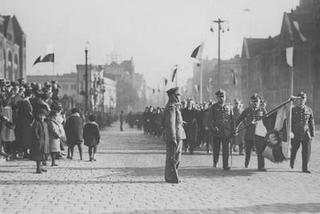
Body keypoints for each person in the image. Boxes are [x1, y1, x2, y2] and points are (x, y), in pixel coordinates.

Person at [236, 94, 267, 171]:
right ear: (251, 102)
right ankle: (246, 163)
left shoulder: (262, 110)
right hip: (249, 135)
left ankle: (261, 167)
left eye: (257, 101)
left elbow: (267, 121)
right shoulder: (247, 110)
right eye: (253, 101)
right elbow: (239, 120)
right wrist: (235, 128)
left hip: (259, 135)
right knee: (248, 152)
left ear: (259, 102)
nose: (255, 103)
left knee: (260, 151)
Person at [207, 89, 234, 170]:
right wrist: (213, 128)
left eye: (223, 97)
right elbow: (209, 120)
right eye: (219, 97)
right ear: (217, 98)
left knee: (226, 150)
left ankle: (225, 165)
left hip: (226, 131)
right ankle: (215, 161)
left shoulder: (229, 107)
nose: (221, 98)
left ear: (225, 97)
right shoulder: (213, 107)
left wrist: (233, 130)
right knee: (216, 149)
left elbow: (232, 120)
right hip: (217, 131)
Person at [164, 87, 186, 183]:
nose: (179, 97)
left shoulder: (174, 106)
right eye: (177, 95)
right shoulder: (171, 107)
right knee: (174, 157)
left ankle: (171, 176)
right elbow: (170, 124)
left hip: (178, 134)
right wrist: (173, 138)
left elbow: (175, 121)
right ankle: (171, 177)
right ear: (172, 96)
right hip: (175, 135)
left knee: (175, 157)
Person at [290, 92, 315, 173]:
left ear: (305, 99)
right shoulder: (292, 110)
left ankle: (305, 168)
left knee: (306, 152)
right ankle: (292, 160)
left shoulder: (309, 110)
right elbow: (289, 122)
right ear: (297, 100)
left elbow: (311, 122)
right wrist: (290, 132)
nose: (301, 101)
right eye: (300, 99)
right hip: (295, 134)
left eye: (303, 99)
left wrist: (312, 134)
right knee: (294, 150)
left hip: (306, 134)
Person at [30, 109, 47, 173]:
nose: (42, 116)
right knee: (38, 155)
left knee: (42, 155)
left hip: (43, 141)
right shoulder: (36, 122)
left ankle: (41, 167)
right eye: (41, 115)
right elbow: (35, 132)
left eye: (43, 115)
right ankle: (38, 168)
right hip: (38, 142)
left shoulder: (43, 122)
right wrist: (37, 139)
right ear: (38, 115)